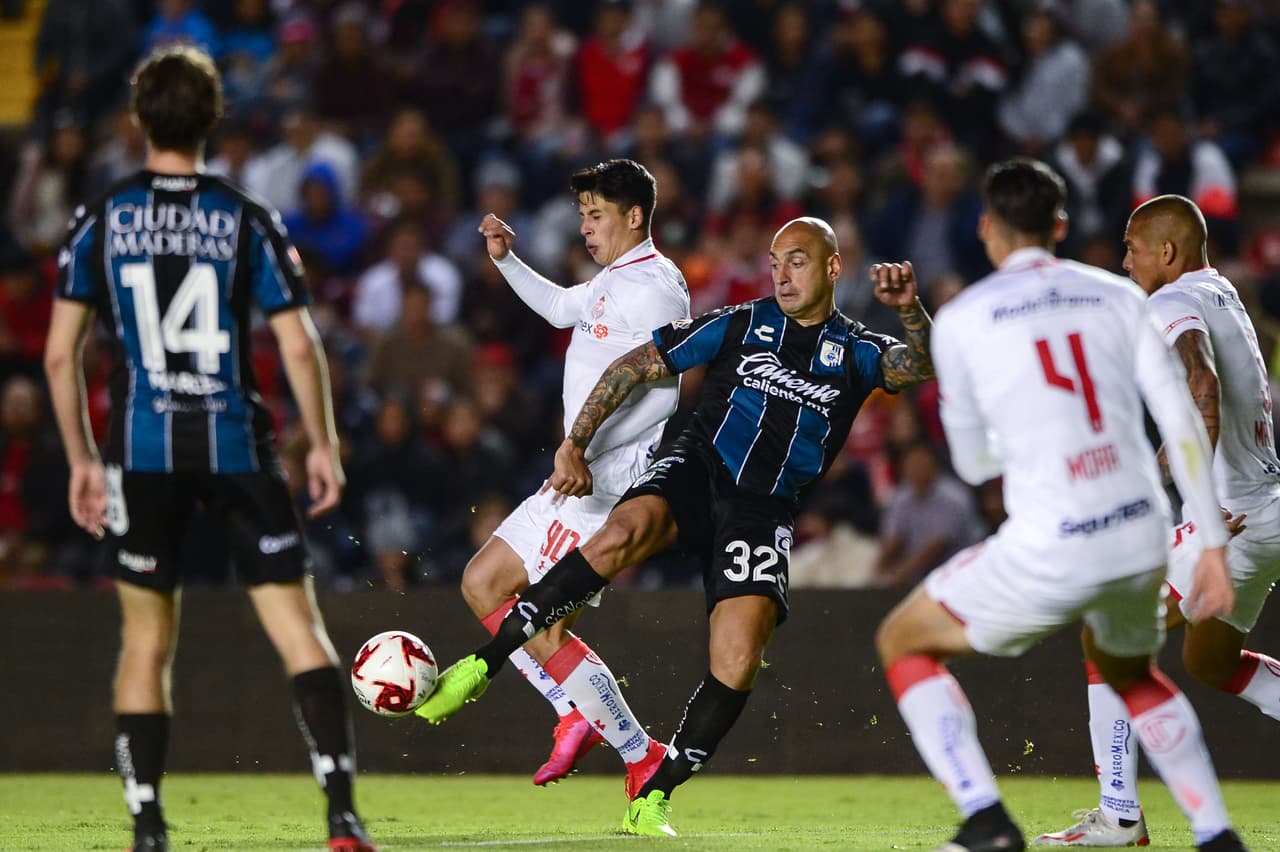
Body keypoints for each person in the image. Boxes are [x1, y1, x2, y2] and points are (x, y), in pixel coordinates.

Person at [415, 214, 937, 836]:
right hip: (697, 471)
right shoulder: (740, 322)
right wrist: (574, 443)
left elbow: (918, 366)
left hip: (763, 511)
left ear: (832, 267)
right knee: (620, 533)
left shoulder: (855, 350)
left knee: (738, 659)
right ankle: (483, 664)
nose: (782, 275)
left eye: (796, 262)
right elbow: (633, 366)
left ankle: (654, 793)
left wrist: (910, 311)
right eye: (775, 263)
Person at [42, 46, 373, 852]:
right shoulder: (245, 216)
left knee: (146, 642)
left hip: (141, 451)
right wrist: (322, 442)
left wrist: (83, 460)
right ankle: (341, 813)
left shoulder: (103, 216)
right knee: (298, 629)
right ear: (213, 119)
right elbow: (299, 345)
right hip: (237, 446)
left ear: (137, 121)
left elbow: (58, 355)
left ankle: (148, 823)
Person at [874, 159, 1246, 852]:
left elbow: (973, 464)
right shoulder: (1120, 296)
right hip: (1140, 532)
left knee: (903, 640)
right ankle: (1216, 833)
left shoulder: (963, 318)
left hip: (1055, 538)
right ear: (1061, 225)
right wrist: (1213, 550)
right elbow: (1182, 423)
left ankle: (986, 819)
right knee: (1132, 672)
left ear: (986, 227)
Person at [434, 159, 691, 789]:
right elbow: (557, 308)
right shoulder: (615, 278)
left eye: (596, 214)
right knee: (483, 583)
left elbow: (662, 392)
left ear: (635, 216)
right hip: (575, 471)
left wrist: (584, 450)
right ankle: (575, 713)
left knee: (542, 625)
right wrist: (505, 260)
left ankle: (639, 755)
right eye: (582, 215)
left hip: (602, 485)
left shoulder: (655, 287)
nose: (585, 227)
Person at [1034, 196, 1280, 847]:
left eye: (1132, 248)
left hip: (1232, 516)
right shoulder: (1223, 291)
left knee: (1106, 633)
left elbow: (1201, 380)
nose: (1125, 261)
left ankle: (1119, 815)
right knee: (1211, 660)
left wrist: (1200, 498)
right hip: (1266, 507)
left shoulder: (1170, 300)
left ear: (1166, 252)